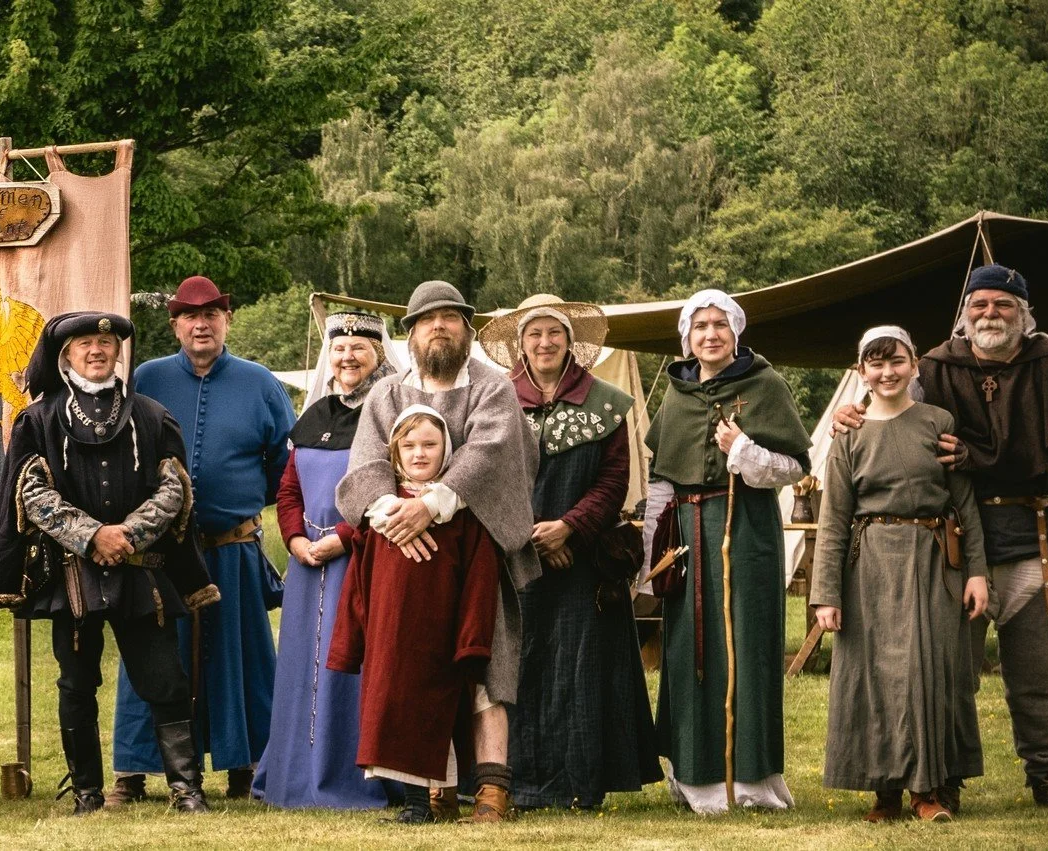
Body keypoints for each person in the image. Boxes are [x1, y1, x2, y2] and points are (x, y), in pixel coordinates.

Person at [833, 264, 1048, 810]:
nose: (990, 313)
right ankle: (944, 778)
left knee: (1035, 673)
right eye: (979, 304)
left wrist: (986, 459)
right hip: (954, 546)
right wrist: (852, 412)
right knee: (949, 672)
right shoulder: (936, 367)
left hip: (1032, 535)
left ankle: (1047, 776)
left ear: (1023, 313)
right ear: (965, 314)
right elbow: (892, 407)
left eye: (1003, 304)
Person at [0, 311, 220, 814]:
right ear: (66, 354)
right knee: (76, 683)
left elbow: (174, 488)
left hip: (141, 571)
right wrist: (91, 537)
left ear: (117, 352)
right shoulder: (39, 420)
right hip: (72, 577)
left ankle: (186, 789)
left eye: (105, 344)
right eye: (85, 343)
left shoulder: (151, 415)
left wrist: (126, 535)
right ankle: (87, 793)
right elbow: (30, 492)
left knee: (166, 680)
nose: (97, 351)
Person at [336, 280, 543, 823]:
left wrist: (432, 505)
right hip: (407, 559)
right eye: (428, 320)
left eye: (450, 318)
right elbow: (366, 463)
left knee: (484, 669)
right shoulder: (387, 394)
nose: (439, 328)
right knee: (416, 671)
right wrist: (394, 513)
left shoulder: (493, 388)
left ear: (466, 329)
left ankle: (492, 789)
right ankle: (434, 789)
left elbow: (493, 453)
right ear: (410, 334)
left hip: (476, 556)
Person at [112, 276, 295, 802]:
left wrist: (239, 504)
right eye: (190, 316)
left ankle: (247, 766)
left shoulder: (261, 383)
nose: (201, 325)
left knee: (242, 658)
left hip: (231, 548)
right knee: (150, 654)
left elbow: (284, 468)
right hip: (160, 554)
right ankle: (134, 770)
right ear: (175, 325)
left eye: (211, 314)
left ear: (226, 321)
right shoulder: (147, 378)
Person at [476, 295, 660, 810]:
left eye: (553, 332)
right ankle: (514, 783)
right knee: (517, 667)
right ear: (521, 342)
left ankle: (580, 783)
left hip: (584, 564)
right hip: (514, 560)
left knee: (579, 670)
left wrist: (570, 530)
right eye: (534, 333)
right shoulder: (495, 399)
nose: (544, 342)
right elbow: (486, 477)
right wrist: (531, 540)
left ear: (569, 339)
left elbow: (613, 479)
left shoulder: (606, 401)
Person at [811, 326, 989, 823]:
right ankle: (885, 793)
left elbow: (965, 503)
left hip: (933, 561)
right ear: (861, 370)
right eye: (876, 363)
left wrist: (977, 573)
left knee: (928, 672)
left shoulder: (937, 422)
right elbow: (834, 519)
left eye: (897, 361)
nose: (887, 372)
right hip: (868, 567)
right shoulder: (848, 435)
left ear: (914, 366)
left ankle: (928, 790)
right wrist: (826, 593)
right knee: (873, 676)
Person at [641, 289, 810, 814]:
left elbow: (794, 468)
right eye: (700, 326)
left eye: (720, 324)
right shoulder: (677, 393)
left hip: (747, 531)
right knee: (690, 649)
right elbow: (662, 479)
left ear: (736, 332)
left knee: (747, 645)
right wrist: (652, 554)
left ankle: (751, 780)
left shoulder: (765, 384)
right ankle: (695, 778)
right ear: (687, 337)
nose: (710, 334)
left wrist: (743, 450)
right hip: (687, 536)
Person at [252, 310, 399, 809]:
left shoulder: (391, 413)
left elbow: (396, 488)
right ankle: (293, 773)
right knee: (301, 666)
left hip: (361, 558)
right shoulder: (314, 414)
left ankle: (352, 775)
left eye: (359, 347)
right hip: (307, 565)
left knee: (352, 662)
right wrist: (294, 539)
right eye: (339, 348)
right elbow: (288, 488)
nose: (348, 356)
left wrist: (344, 537)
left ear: (379, 354)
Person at [329, 405, 501, 824]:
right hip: (388, 635)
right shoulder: (380, 516)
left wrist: (471, 638)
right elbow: (359, 581)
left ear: (447, 449)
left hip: (437, 635)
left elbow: (480, 579)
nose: (419, 453)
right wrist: (353, 638)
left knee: (430, 713)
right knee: (393, 712)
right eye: (408, 446)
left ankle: (431, 803)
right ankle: (416, 803)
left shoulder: (463, 515)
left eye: (429, 444)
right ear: (394, 452)